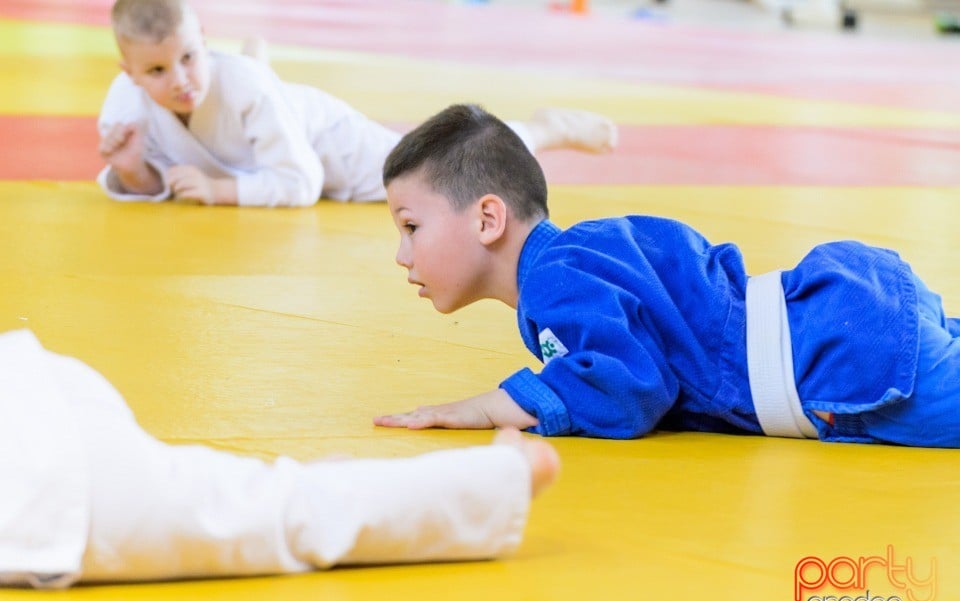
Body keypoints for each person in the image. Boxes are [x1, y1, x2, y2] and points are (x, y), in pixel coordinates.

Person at [374, 103, 960, 448]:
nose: (403, 256)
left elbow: (632, 384)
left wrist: (494, 405)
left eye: (411, 227)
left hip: (835, 359)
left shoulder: (557, 276)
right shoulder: (581, 257)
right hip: (845, 316)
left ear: (487, 218)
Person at [0, 329, 559, 588]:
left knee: (278, 511)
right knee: (250, 497)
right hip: (38, 393)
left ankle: (498, 476)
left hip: (52, 471)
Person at [96, 0, 618, 207]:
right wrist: (134, 171)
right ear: (130, 73)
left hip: (335, 149)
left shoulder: (240, 90)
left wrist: (219, 189)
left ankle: (543, 130)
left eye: (190, 57)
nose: (181, 80)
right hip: (261, 137)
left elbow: (302, 183)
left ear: (205, 39)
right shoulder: (126, 107)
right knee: (252, 93)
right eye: (159, 71)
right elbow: (159, 180)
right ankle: (264, 72)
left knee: (444, 167)